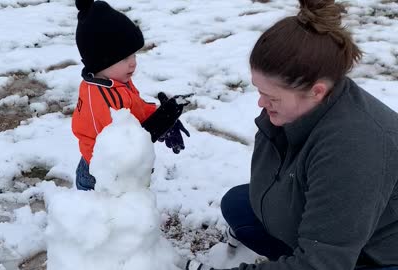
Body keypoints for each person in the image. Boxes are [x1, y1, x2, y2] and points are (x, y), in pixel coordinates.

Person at [181, 0, 398, 269]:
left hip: (380, 255)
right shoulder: (296, 108)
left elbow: (323, 263)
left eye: (271, 96)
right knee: (238, 205)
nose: (261, 103)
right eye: (259, 91)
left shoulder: (354, 149)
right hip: (346, 229)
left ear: (316, 91)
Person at [72, 0, 190, 191]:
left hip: (117, 170)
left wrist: (159, 116)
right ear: (101, 61)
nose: (133, 63)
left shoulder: (114, 81)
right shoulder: (102, 99)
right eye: (125, 58)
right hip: (100, 174)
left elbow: (135, 108)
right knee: (108, 218)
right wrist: (161, 121)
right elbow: (123, 146)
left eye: (134, 55)